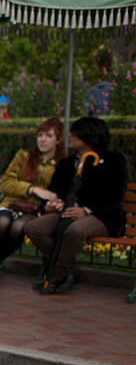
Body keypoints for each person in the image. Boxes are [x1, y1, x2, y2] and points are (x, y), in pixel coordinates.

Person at [24, 116, 128, 295]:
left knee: (75, 231)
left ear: (89, 136)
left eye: (75, 132)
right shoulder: (66, 163)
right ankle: (70, 268)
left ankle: (58, 277)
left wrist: (86, 211)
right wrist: (50, 204)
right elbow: (54, 190)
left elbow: (115, 197)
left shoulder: (114, 162)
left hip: (101, 215)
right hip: (67, 211)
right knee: (34, 228)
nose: (69, 135)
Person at [0, 118, 65, 287]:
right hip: (10, 204)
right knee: (2, 223)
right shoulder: (24, 156)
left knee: (18, 228)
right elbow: (6, 184)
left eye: (49, 136)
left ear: (58, 140)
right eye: (40, 135)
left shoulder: (62, 165)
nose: (42, 139)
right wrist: (32, 189)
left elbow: (59, 194)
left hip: (35, 211)